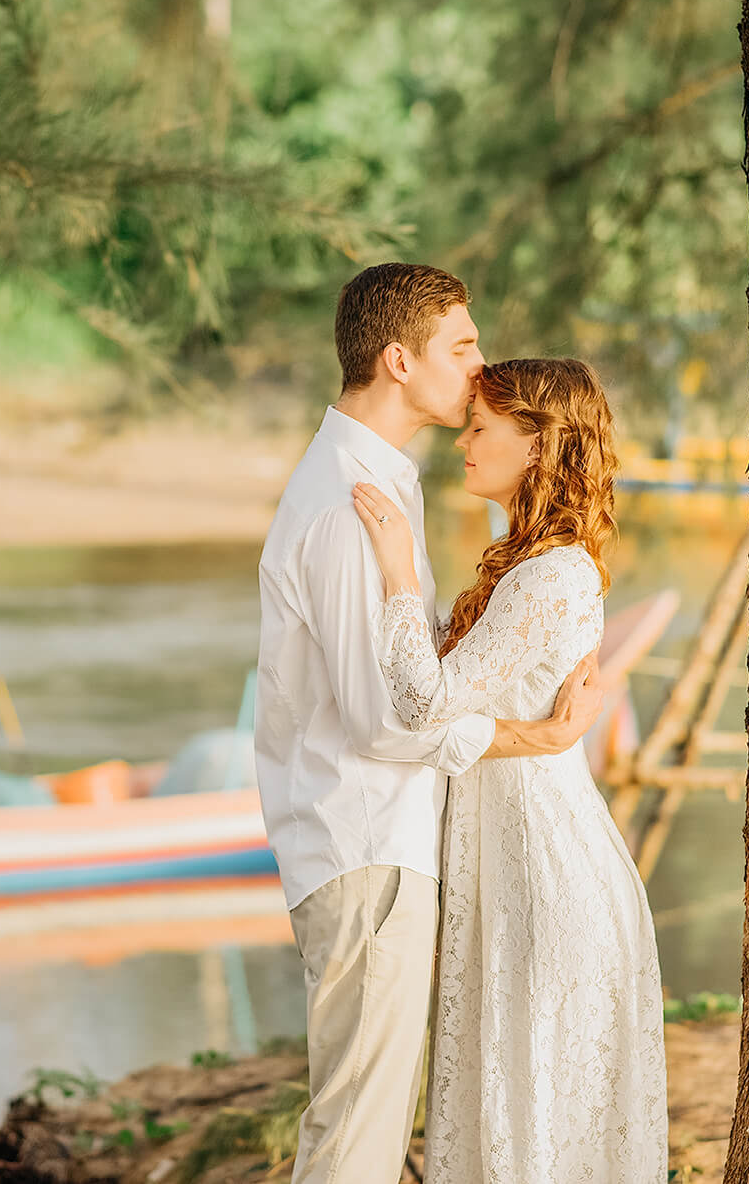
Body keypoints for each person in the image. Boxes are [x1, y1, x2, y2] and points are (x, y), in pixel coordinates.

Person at [253, 264, 609, 1184]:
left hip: (384, 839)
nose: (479, 363)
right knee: (355, 1142)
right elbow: (384, 721)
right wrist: (536, 737)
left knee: (366, 1131)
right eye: (462, 345)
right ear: (398, 361)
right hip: (364, 840)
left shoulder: (384, 486)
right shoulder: (347, 504)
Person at [352, 357, 667, 1182]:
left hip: (543, 870)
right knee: (501, 1100)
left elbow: (425, 701)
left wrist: (396, 570)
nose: (464, 440)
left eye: (483, 427)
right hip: (504, 856)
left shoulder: (552, 575)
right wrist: (533, 733)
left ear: (537, 445)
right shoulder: (521, 562)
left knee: (533, 1109)